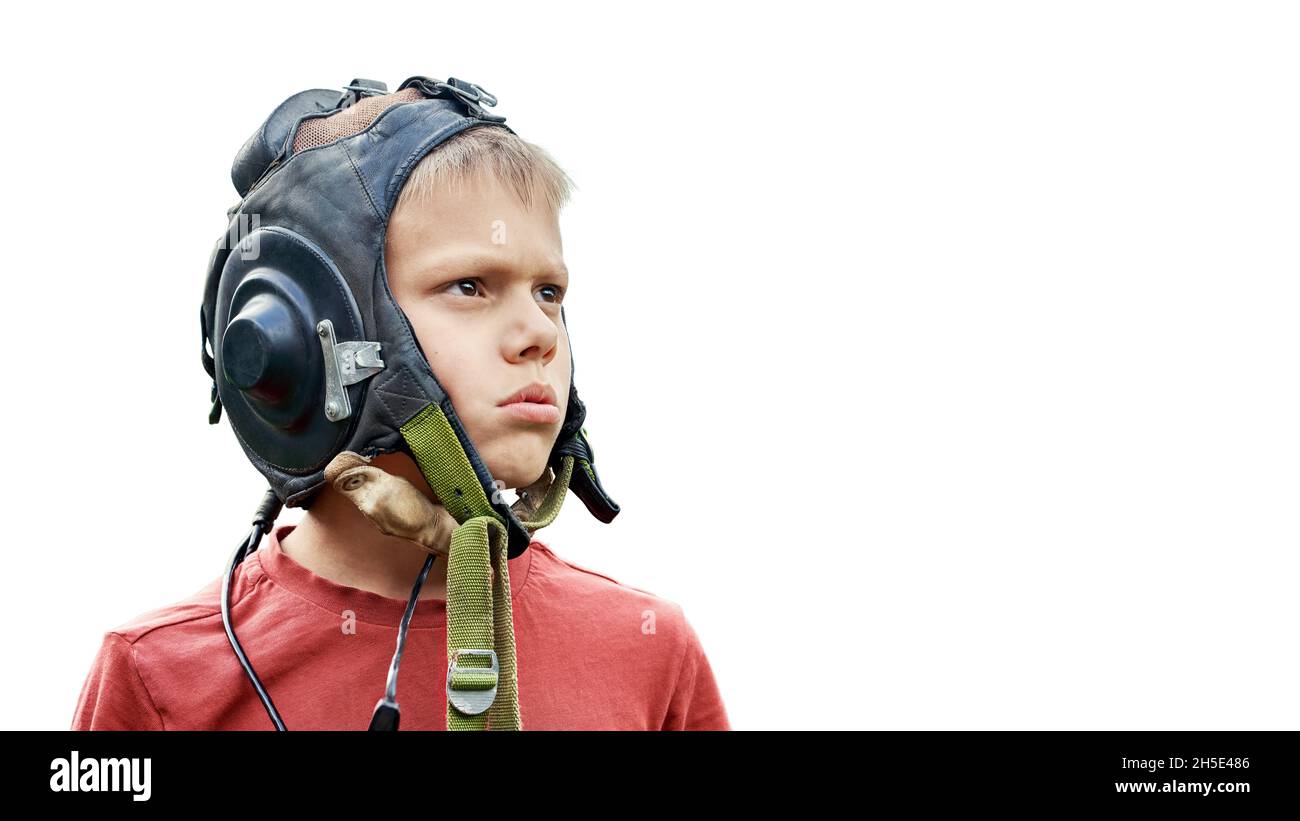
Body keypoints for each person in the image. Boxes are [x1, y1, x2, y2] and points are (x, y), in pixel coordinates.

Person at [71, 81, 730, 731]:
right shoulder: (160, 680)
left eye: (549, 292)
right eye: (471, 286)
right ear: (308, 338)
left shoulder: (649, 654)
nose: (540, 333)